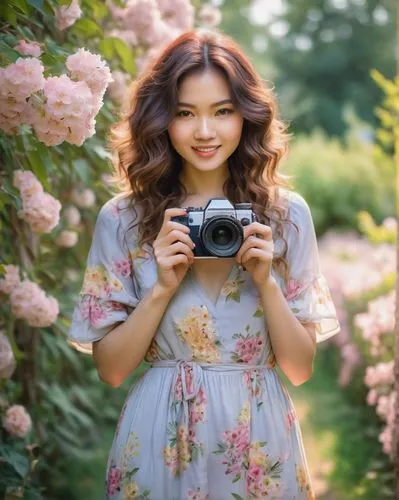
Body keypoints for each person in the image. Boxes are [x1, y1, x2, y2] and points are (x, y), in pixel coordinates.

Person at [68, 28, 340, 500]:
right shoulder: (124, 219)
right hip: (158, 437)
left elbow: (299, 369)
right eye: (185, 113)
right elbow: (111, 371)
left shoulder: (286, 215)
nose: (205, 132)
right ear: (162, 119)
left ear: (247, 115)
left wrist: (266, 283)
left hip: (259, 440)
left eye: (223, 111)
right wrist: (161, 290)